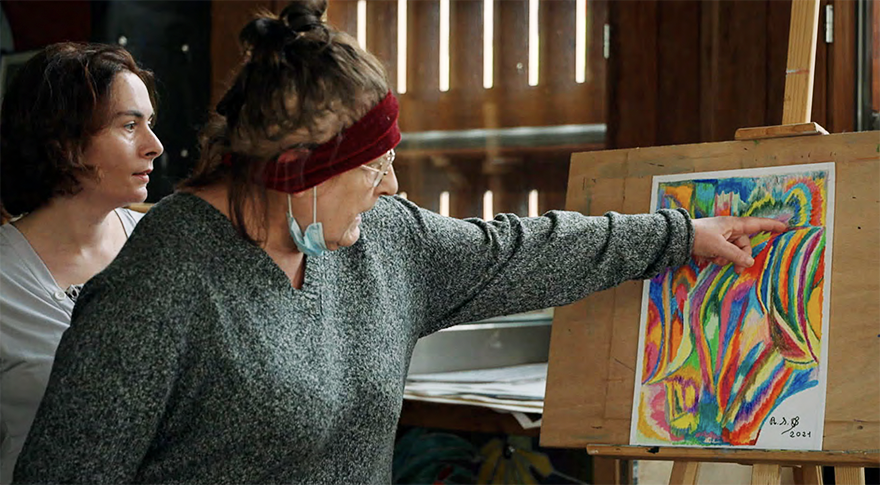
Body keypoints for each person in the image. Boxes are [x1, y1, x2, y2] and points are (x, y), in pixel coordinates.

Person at [11, 2, 785, 484]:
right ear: (297, 170)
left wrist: (681, 234)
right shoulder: (158, 286)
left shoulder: (387, 242)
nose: (388, 188)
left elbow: (523, 246)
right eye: (372, 168)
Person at [0, 42, 163, 484]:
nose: (155, 146)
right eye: (130, 125)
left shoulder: (163, 245)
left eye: (150, 124)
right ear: (65, 142)